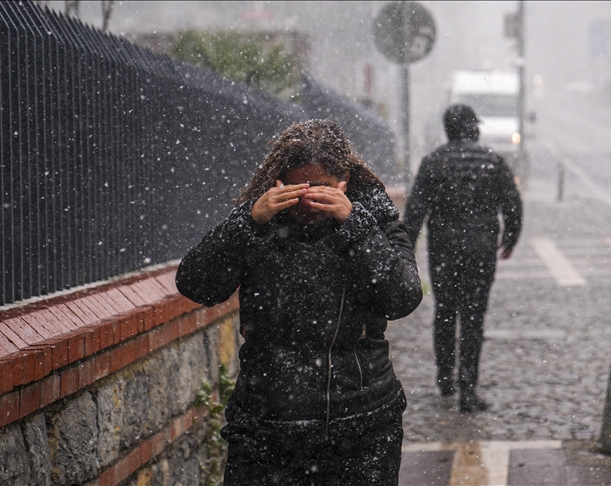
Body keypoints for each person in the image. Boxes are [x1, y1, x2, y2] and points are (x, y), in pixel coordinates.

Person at [175, 119, 422, 485]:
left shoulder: (372, 217)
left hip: (362, 426)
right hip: (266, 430)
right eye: (296, 186)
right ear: (280, 181)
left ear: (344, 182)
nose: (306, 199)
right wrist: (250, 221)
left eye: (319, 187)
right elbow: (197, 284)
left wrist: (352, 225)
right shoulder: (261, 220)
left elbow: (402, 297)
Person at [403, 104, 523, 413]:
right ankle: (468, 389)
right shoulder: (493, 161)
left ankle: (445, 378)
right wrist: (509, 238)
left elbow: (416, 210)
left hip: (444, 247)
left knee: (445, 311)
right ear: (474, 127)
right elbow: (512, 205)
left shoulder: (433, 162)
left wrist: (407, 248)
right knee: (473, 317)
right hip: (481, 248)